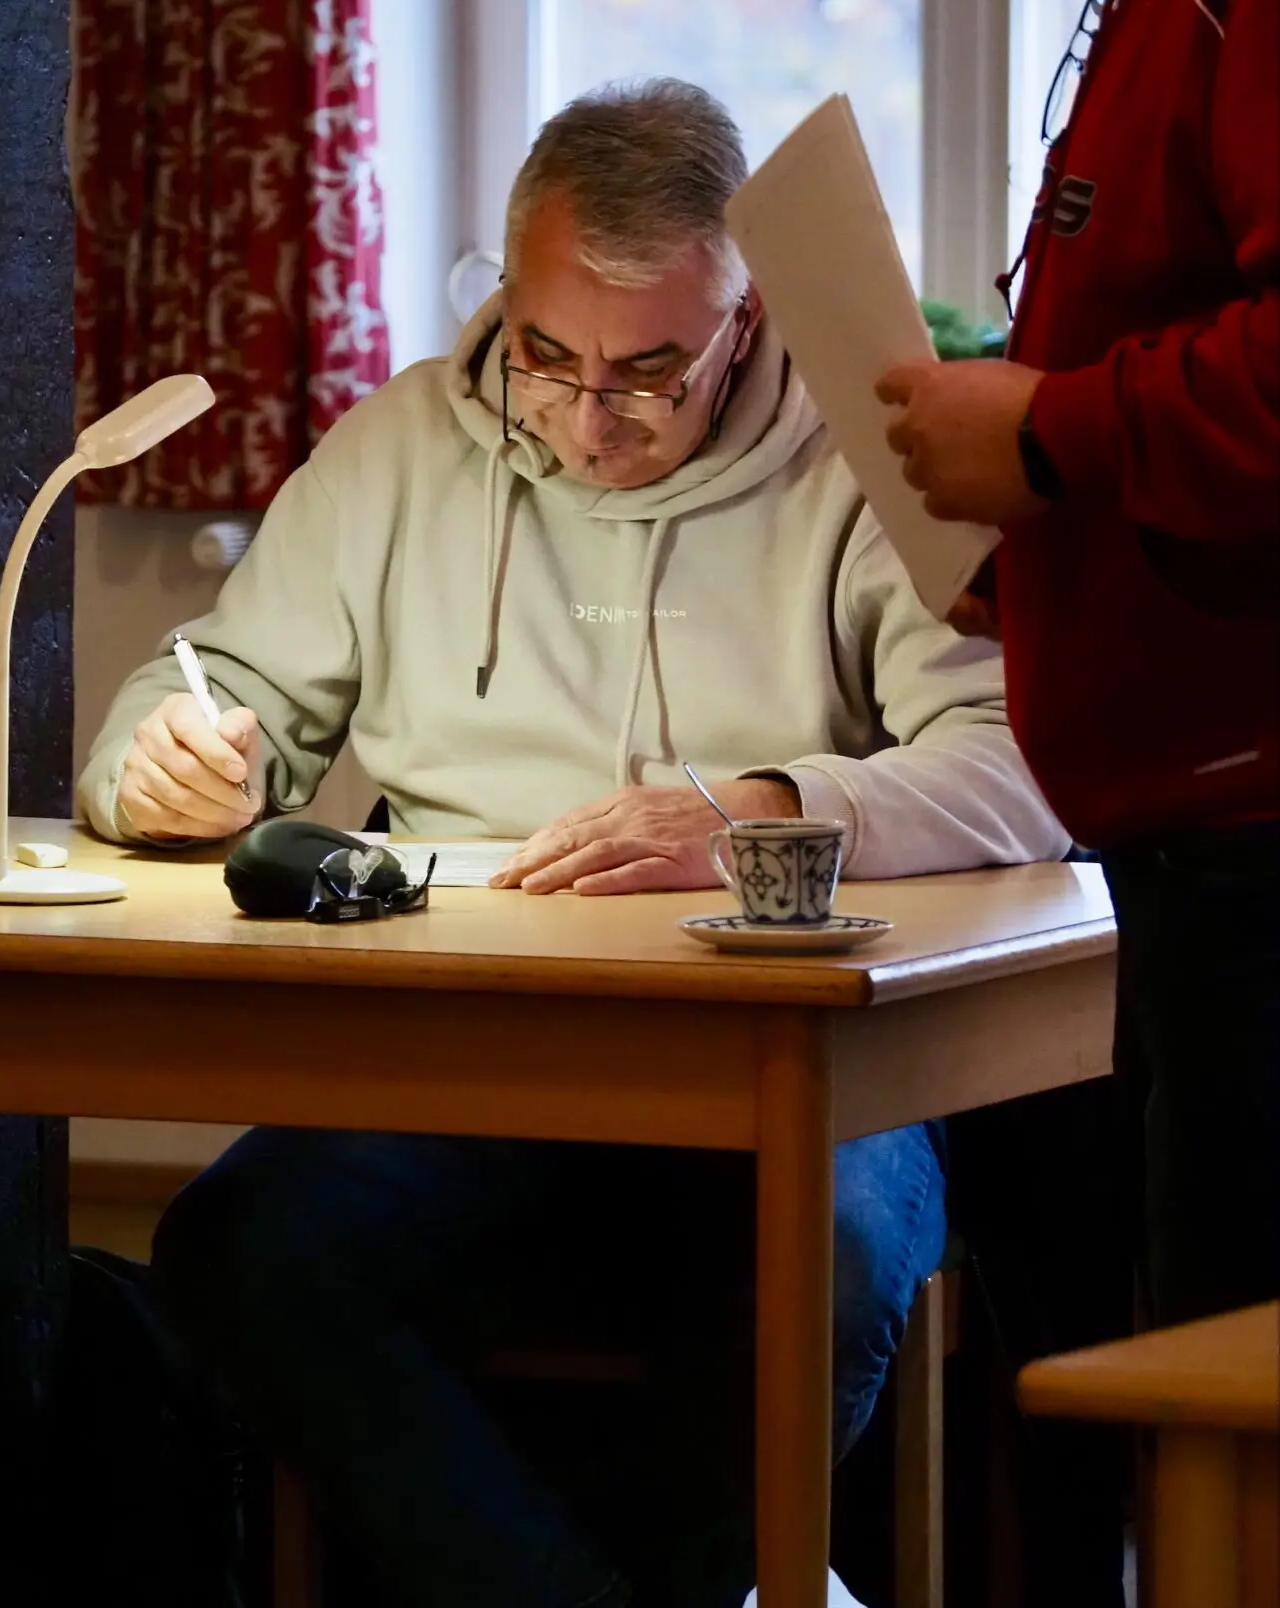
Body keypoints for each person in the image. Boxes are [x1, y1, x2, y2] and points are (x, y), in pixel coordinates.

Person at [81, 79, 1068, 1608]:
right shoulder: (405, 445)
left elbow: (1024, 767)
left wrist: (759, 817)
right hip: (470, 1050)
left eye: (646, 371)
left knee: (841, 1265)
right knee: (237, 1255)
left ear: (744, 323)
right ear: (504, 295)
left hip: (795, 1055)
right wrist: (170, 766)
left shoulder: (866, 458)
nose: (587, 415)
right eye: (548, 357)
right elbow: (216, 689)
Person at [879, 0, 1278, 1332]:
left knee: (1234, 1415)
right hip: (1199, 831)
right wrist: (1054, 537)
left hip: (1259, 830)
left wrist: (1050, 436)